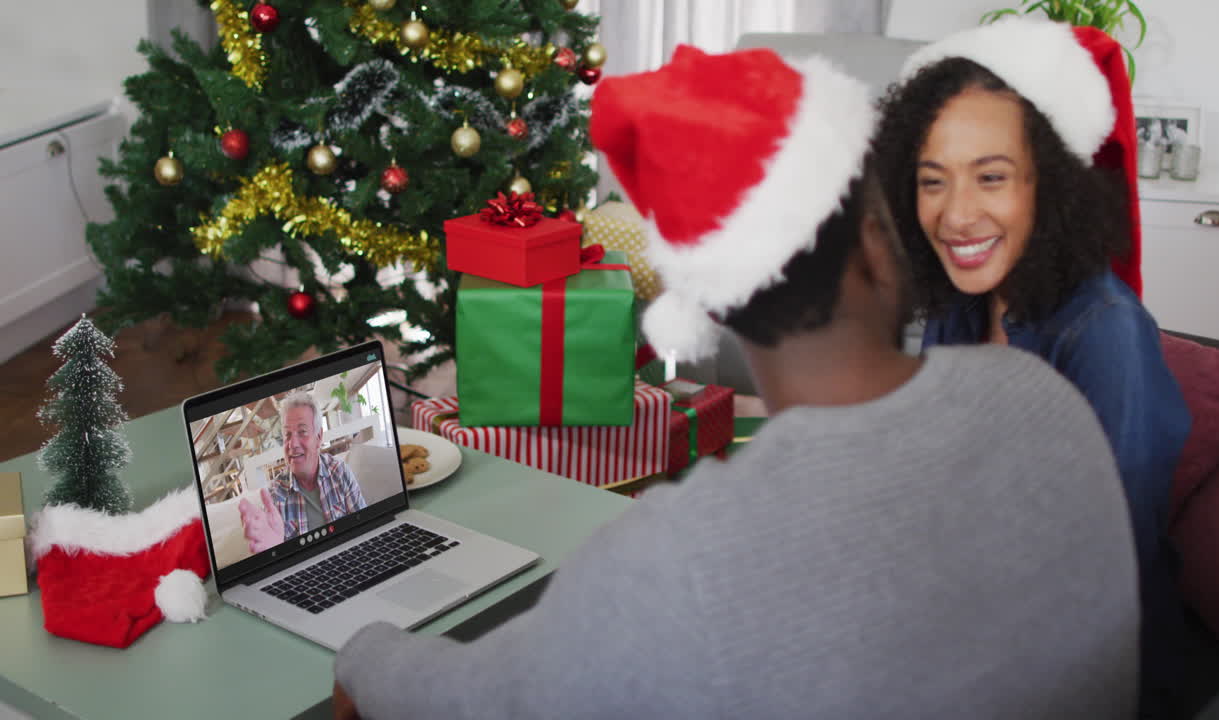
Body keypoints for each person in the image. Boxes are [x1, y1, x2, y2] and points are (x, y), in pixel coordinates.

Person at [333, 45, 1140, 719]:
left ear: (712, 306)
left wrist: (362, 653)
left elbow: (470, 702)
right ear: (873, 244)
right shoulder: (1044, 400)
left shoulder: (678, 560)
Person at [871, 17, 1191, 718]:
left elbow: (1108, 566)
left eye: (991, 177)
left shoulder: (1104, 331)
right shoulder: (963, 304)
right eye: (932, 182)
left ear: (1051, 185)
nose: (956, 215)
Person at [238, 390, 366, 552]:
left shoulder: (340, 473)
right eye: (287, 434)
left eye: (302, 432)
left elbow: (364, 527)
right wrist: (274, 550)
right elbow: (277, 556)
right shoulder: (275, 495)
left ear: (319, 437)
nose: (293, 444)